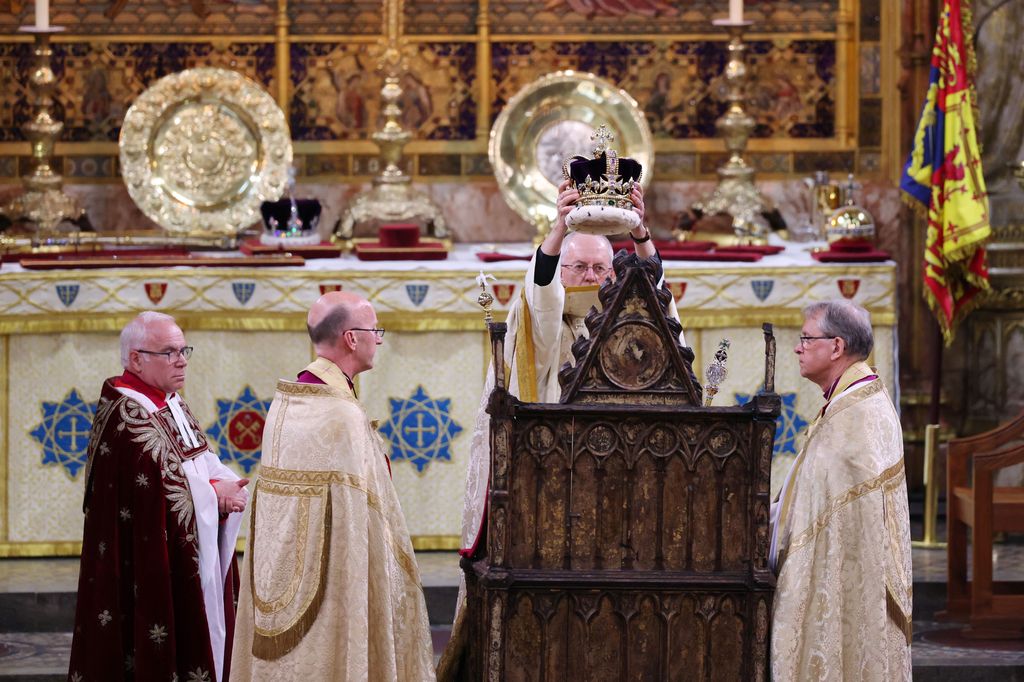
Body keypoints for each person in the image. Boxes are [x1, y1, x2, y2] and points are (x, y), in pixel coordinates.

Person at [230, 291, 435, 681]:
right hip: (332, 585)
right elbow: (364, 518)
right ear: (351, 338)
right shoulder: (340, 414)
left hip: (278, 576)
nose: (380, 338)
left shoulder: (288, 401)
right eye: (375, 330)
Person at [68, 311, 249, 682]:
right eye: (169, 352)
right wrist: (216, 497)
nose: (181, 360)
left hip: (188, 550)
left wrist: (226, 484)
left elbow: (198, 457)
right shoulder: (128, 416)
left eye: (184, 350)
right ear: (136, 358)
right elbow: (158, 495)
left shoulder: (170, 400)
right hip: (148, 562)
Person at [770, 300, 912, 681]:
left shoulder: (856, 413)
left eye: (806, 338)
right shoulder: (853, 398)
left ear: (836, 346)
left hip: (848, 580)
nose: (798, 347)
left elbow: (828, 522)